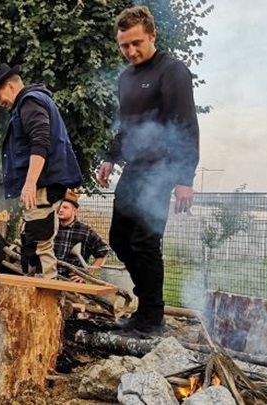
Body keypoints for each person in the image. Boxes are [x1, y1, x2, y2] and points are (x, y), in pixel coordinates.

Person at [97, 6, 199, 333]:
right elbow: (127, 126)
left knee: (145, 242)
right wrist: (110, 156)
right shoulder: (126, 78)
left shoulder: (173, 72)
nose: (131, 51)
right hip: (135, 167)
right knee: (119, 238)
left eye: (136, 43)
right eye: (124, 46)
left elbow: (186, 125)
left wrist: (185, 178)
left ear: (152, 35)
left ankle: (151, 317)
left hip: (164, 167)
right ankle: (146, 307)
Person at [0, 63, 83, 279]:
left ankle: (45, 298)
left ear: (9, 86)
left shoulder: (29, 102)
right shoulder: (30, 103)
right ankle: (35, 293)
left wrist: (30, 183)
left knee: (39, 243)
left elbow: (40, 141)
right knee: (32, 240)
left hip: (42, 185)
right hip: (43, 184)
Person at [54, 189, 111, 280]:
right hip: (50, 279)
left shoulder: (85, 231)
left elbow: (104, 251)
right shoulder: (51, 229)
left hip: (72, 283)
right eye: (59, 207)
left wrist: (87, 275)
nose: (60, 210)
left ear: (75, 210)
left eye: (65, 207)